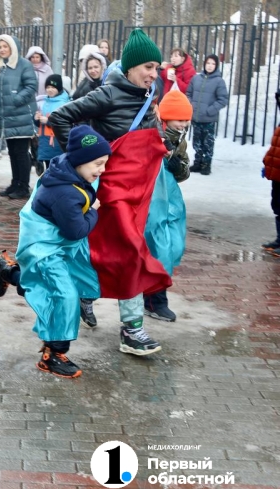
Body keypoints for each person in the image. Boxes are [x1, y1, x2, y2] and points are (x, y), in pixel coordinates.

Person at [48, 28, 171, 355]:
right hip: (111, 192)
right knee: (128, 251)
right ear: (130, 68)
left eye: (156, 68)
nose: (153, 73)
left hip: (139, 193)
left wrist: (164, 145)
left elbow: (150, 133)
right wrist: (81, 162)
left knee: (104, 251)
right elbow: (60, 117)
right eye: (147, 67)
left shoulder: (149, 96)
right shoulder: (107, 94)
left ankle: (86, 296)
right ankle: (132, 329)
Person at [0, 125, 110, 378]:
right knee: (64, 295)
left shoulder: (69, 170)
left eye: (105, 163)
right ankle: (53, 354)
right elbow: (76, 231)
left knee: (49, 285)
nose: (102, 170)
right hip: (45, 247)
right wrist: (93, 211)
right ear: (79, 161)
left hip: (54, 243)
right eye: (98, 164)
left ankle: (7, 271)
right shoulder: (65, 192)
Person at [143, 87, 192, 323]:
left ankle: (154, 299)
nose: (183, 124)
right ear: (166, 117)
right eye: (179, 118)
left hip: (170, 200)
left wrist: (178, 165)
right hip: (152, 199)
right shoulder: (154, 133)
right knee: (158, 246)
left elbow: (184, 172)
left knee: (172, 246)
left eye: (186, 119)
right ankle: (155, 301)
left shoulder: (179, 140)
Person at [0, 34, 38, 200]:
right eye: (0, 47)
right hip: (8, 118)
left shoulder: (24, 64)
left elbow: (31, 85)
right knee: (12, 152)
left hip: (21, 116)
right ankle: (16, 182)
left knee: (21, 152)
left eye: (5, 46)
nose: (2, 49)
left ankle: (24, 186)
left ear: (13, 47)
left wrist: (16, 99)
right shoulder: (2, 68)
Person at [186, 54, 228, 176]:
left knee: (208, 143)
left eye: (213, 64)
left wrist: (210, 110)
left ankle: (206, 164)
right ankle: (197, 162)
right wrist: (191, 105)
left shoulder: (219, 81)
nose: (210, 66)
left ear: (216, 66)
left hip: (208, 118)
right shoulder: (196, 79)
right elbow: (188, 93)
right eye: (208, 63)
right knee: (197, 142)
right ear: (204, 64)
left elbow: (223, 99)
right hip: (196, 117)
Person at [35, 74, 69, 171]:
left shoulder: (64, 103)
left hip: (57, 142)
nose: (50, 90)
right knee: (48, 168)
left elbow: (64, 122)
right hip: (45, 142)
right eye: (48, 87)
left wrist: (49, 121)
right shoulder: (44, 102)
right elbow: (40, 124)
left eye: (53, 87)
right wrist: (36, 119)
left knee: (57, 168)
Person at [262, 90, 280, 256]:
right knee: (278, 207)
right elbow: (275, 148)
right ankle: (279, 238)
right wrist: (267, 163)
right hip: (277, 174)